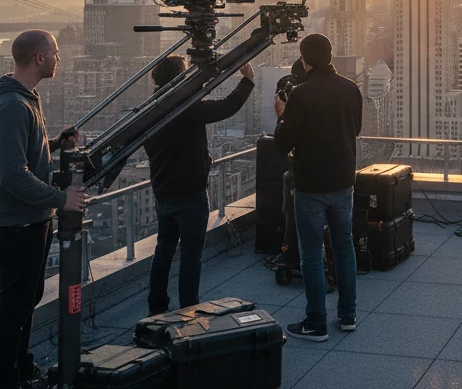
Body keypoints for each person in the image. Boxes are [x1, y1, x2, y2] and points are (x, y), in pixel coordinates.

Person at [0, 29, 88, 389]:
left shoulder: (24, 98)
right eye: (55, 52)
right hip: (17, 223)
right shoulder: (12, 106)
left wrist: (56, 143)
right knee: (14, 307)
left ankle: (21, 370)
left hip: (29, 219)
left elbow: (26, 156)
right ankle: (5, 381)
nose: (60, 58)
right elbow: (12, 175)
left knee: (28, 299)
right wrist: (62, 200)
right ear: (39, 58)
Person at [142, 55, 256, 315]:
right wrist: (247, 81)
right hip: (190, 194)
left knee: (163, 252)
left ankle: (156, 308)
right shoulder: (184, 107)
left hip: (163, 192)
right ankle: (188, 309)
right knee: (191, 257)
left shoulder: (150, 109)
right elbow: (226, 107)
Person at [273, 33, 362, 342]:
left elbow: (284, 143)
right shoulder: (351, 89)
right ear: (331, 54)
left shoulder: (300, 95)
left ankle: (316, 323)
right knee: (344, 248)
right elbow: (357, 128)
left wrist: (282, 117)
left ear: (304, 60)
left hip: (311, 184)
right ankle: (348, 315)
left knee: (312, 254)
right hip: (343, 181)